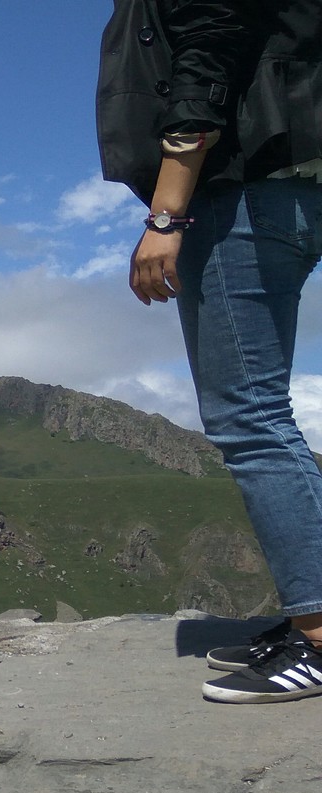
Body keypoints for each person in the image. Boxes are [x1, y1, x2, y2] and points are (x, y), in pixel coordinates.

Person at [99, 1, 322, 702]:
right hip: (297, 184)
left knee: (250, 418)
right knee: (262, 414)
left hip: (247, 197)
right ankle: (308, 618)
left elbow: (204, 68)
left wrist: (166, 216)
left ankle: (320, 638)